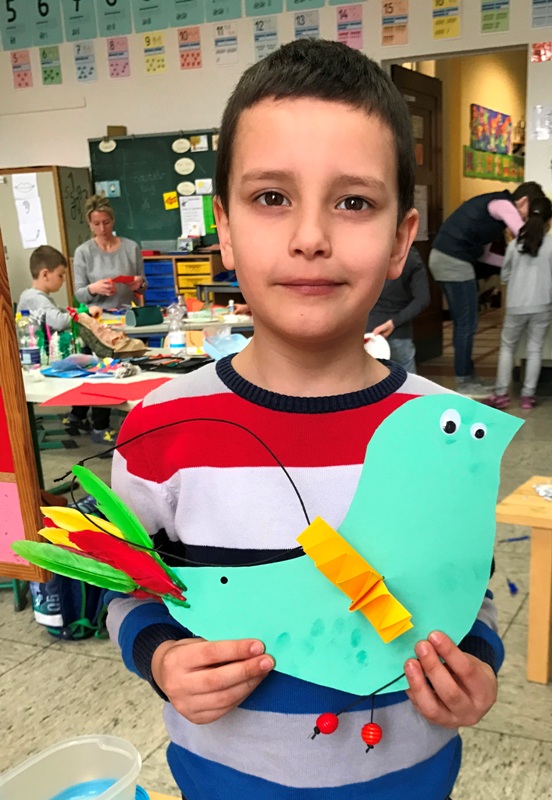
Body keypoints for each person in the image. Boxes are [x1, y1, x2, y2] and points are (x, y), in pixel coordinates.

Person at [107, 40, 501, 800]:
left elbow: (471, 589)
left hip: (410, 780)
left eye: (353, 202)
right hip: (225, 780)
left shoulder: (446, 430)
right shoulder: (161, 427)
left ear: (401, 240)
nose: (310, 236)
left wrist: (478, 660)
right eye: (271, 197)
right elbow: (127, 584)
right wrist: (159, 655)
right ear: (224, 229)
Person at [429, 182, 545, 396]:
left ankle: (468, 376)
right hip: (452, 260)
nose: (528, 218)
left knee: (466, 323)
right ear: (523, 201)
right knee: (466, 324)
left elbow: (485, 256)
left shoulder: (492, 218)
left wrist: (509, 264)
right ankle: (464, 381)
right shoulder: (503, 204)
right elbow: (524, 236)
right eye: (530, 212)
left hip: (447, 259)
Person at [73, 195, 147, 443]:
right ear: (89, 224)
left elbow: (143, 286)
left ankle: (136, 420)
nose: (102, 228)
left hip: (127, 318)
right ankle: (100, 425)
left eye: (106, 222)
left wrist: (138, 283)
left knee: (134, 369)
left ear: (113, 220)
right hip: (97, 322)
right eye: (96, 224)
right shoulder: (83, 252)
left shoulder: (131, 247)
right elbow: (79, 293)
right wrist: (94, 289)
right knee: (103, 373)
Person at [17, 245, 104, 437]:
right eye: (60, 275)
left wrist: (76, 311)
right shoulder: (36, 298)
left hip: (42, 356)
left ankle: (77, 414)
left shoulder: (33, 296)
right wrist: (84, 314)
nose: (63, 281)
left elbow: (57, 314)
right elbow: (58, 321)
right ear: (45, 274)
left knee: (87, 359)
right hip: (40, 361)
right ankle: (100, 425)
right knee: (95, 365)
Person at [485, 196, 552, 410]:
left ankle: (501, 395)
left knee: (507, 348)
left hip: (516, 305)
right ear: (549, 221)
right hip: (543, 305)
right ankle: (527, 397)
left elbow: (505, 276)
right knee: (534, 349)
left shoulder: (515, 245)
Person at [366, 245, 430, 372]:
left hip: (366, 330)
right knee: (407, 381)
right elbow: (422, 299)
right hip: (399, 331)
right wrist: (394, 322)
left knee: (368, 382)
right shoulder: (410, 256)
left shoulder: (363, 252)